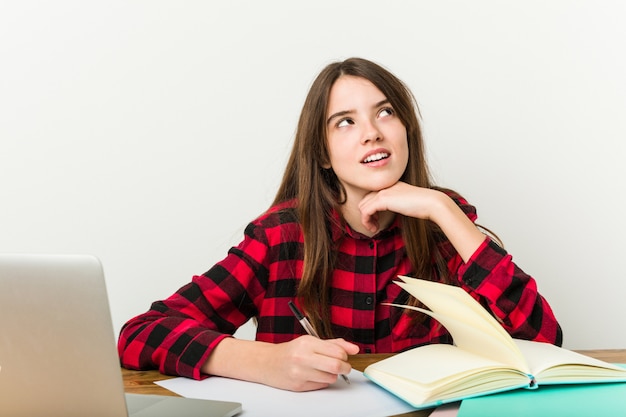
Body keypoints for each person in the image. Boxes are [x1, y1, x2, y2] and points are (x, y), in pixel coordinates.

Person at [118, 57, 562, 392]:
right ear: (325, 155)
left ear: (407, 130)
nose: (372, 132)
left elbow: (545, 342)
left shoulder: (445, 228)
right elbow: (140, 333)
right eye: (345, 122)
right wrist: (264, 362)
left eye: (385, 112)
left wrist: (443, 210)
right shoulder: (281, 236)